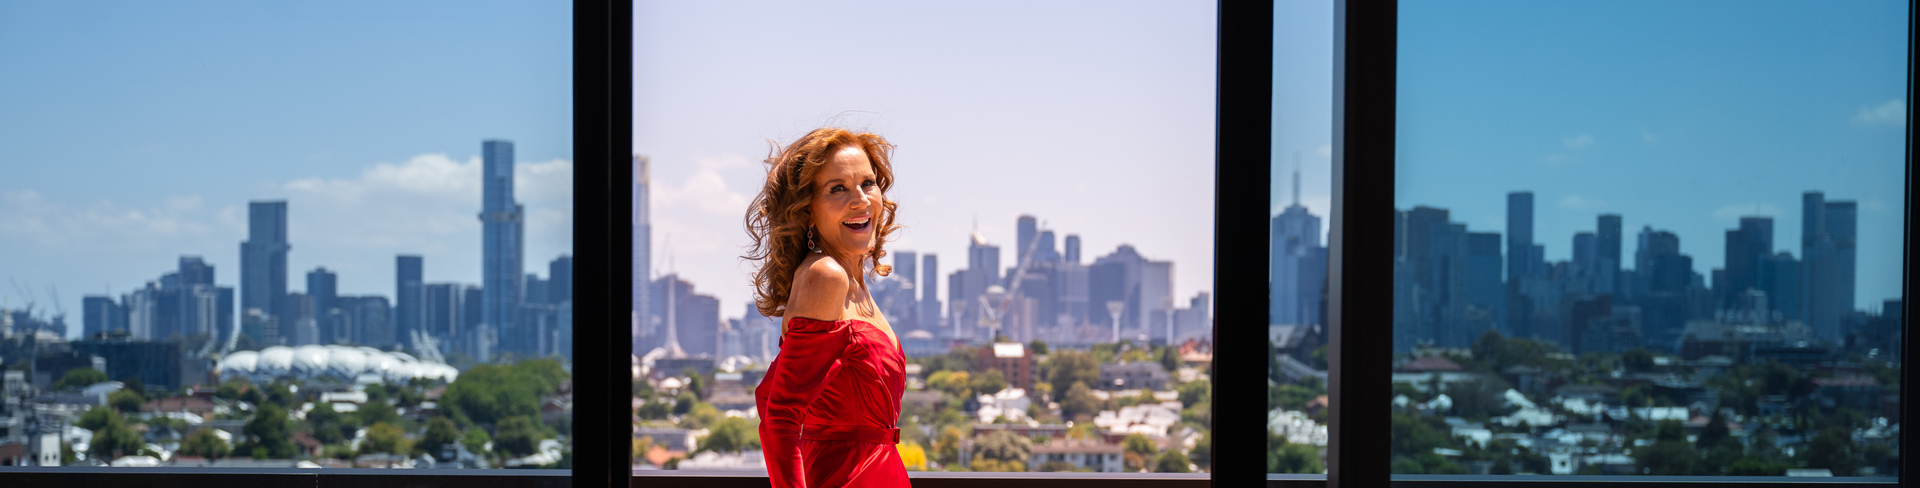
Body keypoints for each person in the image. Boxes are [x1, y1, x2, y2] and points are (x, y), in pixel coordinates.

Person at [747, 127, 909, 487]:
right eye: (837, 189)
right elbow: (779, 418)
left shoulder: (854, 284)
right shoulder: (826, 276)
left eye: (867, 183)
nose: (861, 200)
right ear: (807, 211)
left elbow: (766, 395)